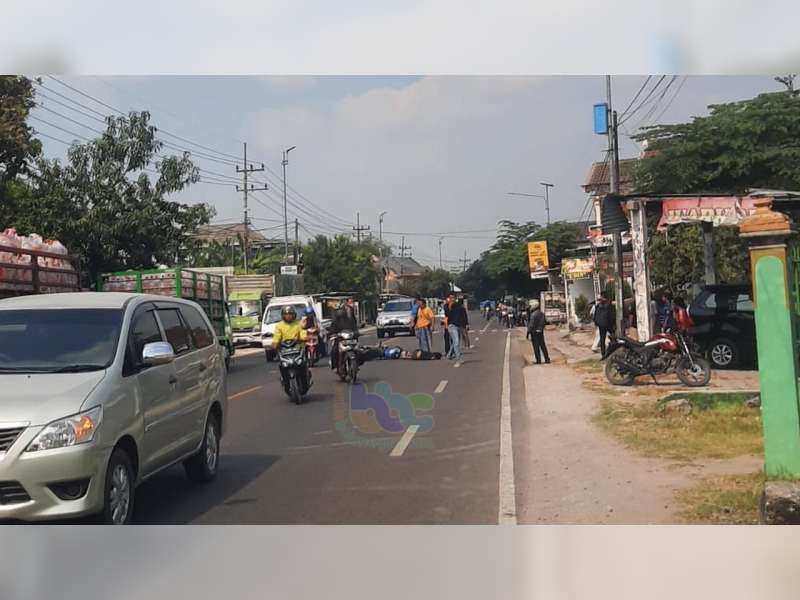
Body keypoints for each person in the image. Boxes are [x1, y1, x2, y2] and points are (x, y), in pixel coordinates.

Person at [329, 298, 359, 371]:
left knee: (358, 349)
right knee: (334, 350)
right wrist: (333, 333)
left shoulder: (350, 310)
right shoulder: (336, 312)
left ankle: (356, 364)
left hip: (350, 335)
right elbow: (333, 324)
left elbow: (354, 323)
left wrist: (356, 332)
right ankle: (335, 366)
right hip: (340, 335)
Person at [444, 292, 467, 361]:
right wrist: (450, 307)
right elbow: (447, 315)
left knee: (455, 342)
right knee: (456, 342)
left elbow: (464, 314)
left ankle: (449, 355)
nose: (452, 299)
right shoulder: (446, 306)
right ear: (448, 298)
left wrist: (466, 324)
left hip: (459, 325)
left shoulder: (459, 305)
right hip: (451, 326)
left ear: (455, 298)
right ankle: (459, 358)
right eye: (450, 298)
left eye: (453, 298)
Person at [526, 299, 550, 364]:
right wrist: (541, 328)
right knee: (543, 346)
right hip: (540, 331)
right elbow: (545, 322)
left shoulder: (533, 315)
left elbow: (531, 325)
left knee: (536, 347)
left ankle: (538, 360)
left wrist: (528, 333)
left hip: (534, 333)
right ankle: (547, 359)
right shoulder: (541, 313)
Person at [593, 292, 616, 359]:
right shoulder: (609, 304)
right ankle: (613, 350)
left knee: (602, 339)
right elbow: (612, 315)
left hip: (601, 324)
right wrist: (613, 324)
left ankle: (603, 354)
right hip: (608, 324)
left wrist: (596, 323)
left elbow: (595, 315)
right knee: (613, 337)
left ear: (602, 296)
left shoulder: (598, 305)